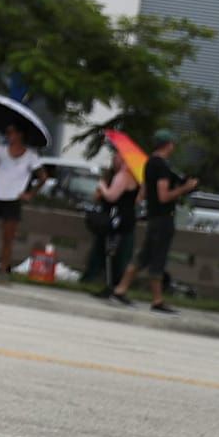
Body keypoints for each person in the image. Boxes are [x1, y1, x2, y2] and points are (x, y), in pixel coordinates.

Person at [106, 129, 195, 312]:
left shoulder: (149, 164)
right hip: (163, 217)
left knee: (143, 256)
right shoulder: (162, 166)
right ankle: (157, 300)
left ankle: (120, 289)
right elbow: (163, 196)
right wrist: (185, 188)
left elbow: (145, 192)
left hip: (153, 216)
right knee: (158, 258)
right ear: (169, 145)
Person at [0, 124, 43, 282]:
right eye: (7, 133)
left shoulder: (31, 156)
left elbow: (42, 177)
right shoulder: (0, 151)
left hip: (13, 197)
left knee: (8, 237)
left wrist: (29, 194)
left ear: (20, 135)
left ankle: (3, 270)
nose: (8, 136)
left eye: (11, 132)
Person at [83, 147, 140, 291]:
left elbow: (111, 196)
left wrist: (102, 187)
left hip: (119, 219)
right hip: (109, 217)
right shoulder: (114, 175)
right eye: (115, 157)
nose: (116, 159)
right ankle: (99, 278)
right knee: (102, 249)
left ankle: (114, 283)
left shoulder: (125, 176)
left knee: (118, 253)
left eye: (119, 157)